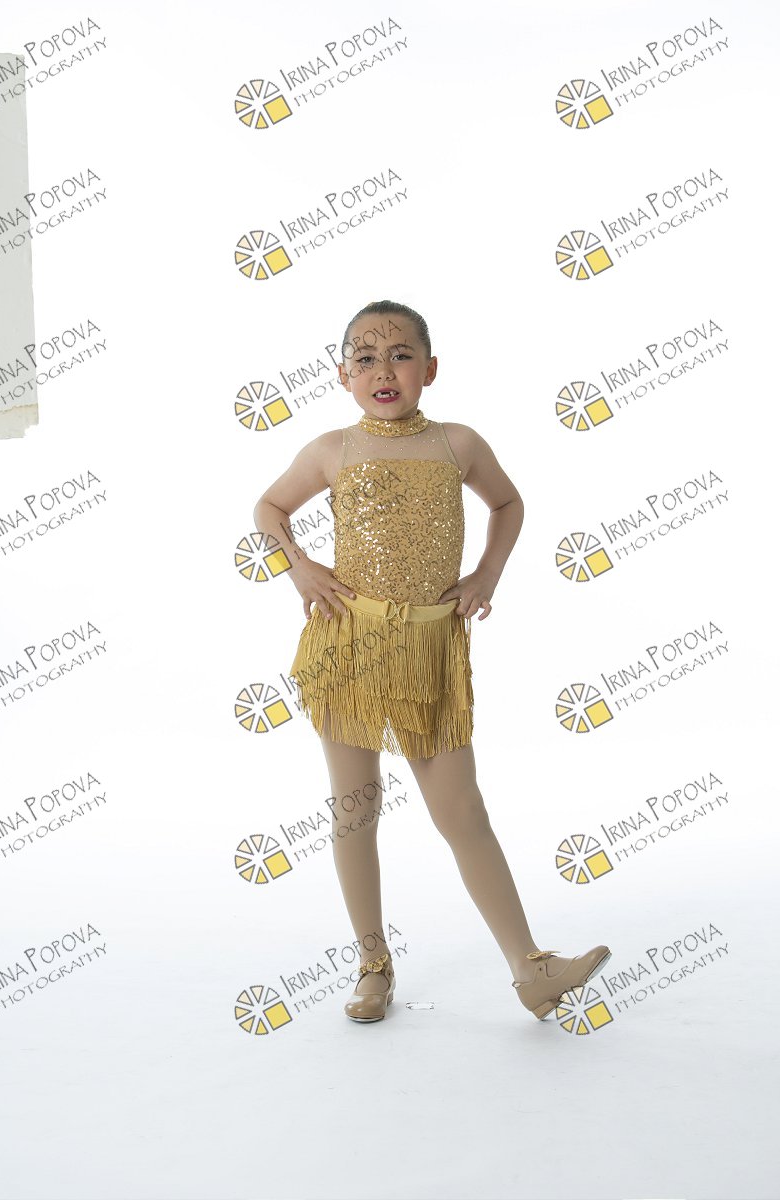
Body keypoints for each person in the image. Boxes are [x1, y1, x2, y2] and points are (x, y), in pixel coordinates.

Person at [253, 300, 610, 1024]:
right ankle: (372, 965)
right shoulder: (332, 449)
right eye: (365, 358)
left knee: (462, 810)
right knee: (357, 808)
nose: (383, 370)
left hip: (431, 652)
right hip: (350, 647)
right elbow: (268, 508)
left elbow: (508, 505)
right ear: (343, 375)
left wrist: (487, 575)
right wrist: (299, 567)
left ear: (430, 368)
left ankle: (531, 968)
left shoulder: (458, 443)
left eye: (401, 355)